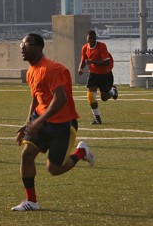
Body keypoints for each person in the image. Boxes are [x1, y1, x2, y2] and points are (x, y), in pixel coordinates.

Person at [12, 33, 94, 212]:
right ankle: (31, 201)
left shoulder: (52, 69)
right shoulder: (31, 71)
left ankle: (81, 152)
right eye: (21, 45)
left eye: (26, 44)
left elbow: (60, 99)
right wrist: (28, 123)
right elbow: (36, 99)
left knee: (54, 169)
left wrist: (40, 121)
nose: (22, 48)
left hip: (63, 123)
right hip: (42, 119)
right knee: (26, 156)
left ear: (38, 47)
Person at [78, 29, 118, 125]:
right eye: (89, 38)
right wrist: (80, 69)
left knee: (104, 98)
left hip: (105, 74)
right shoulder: (84, 48)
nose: (91, 40)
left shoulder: (102, 46)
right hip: (93, 74)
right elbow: (83, 61)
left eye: (93, 38)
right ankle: (97, 118)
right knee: (90, 96)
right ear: (86, 39)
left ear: (95, 38)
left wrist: (92, 61)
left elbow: (106, 62)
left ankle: (113, 91)